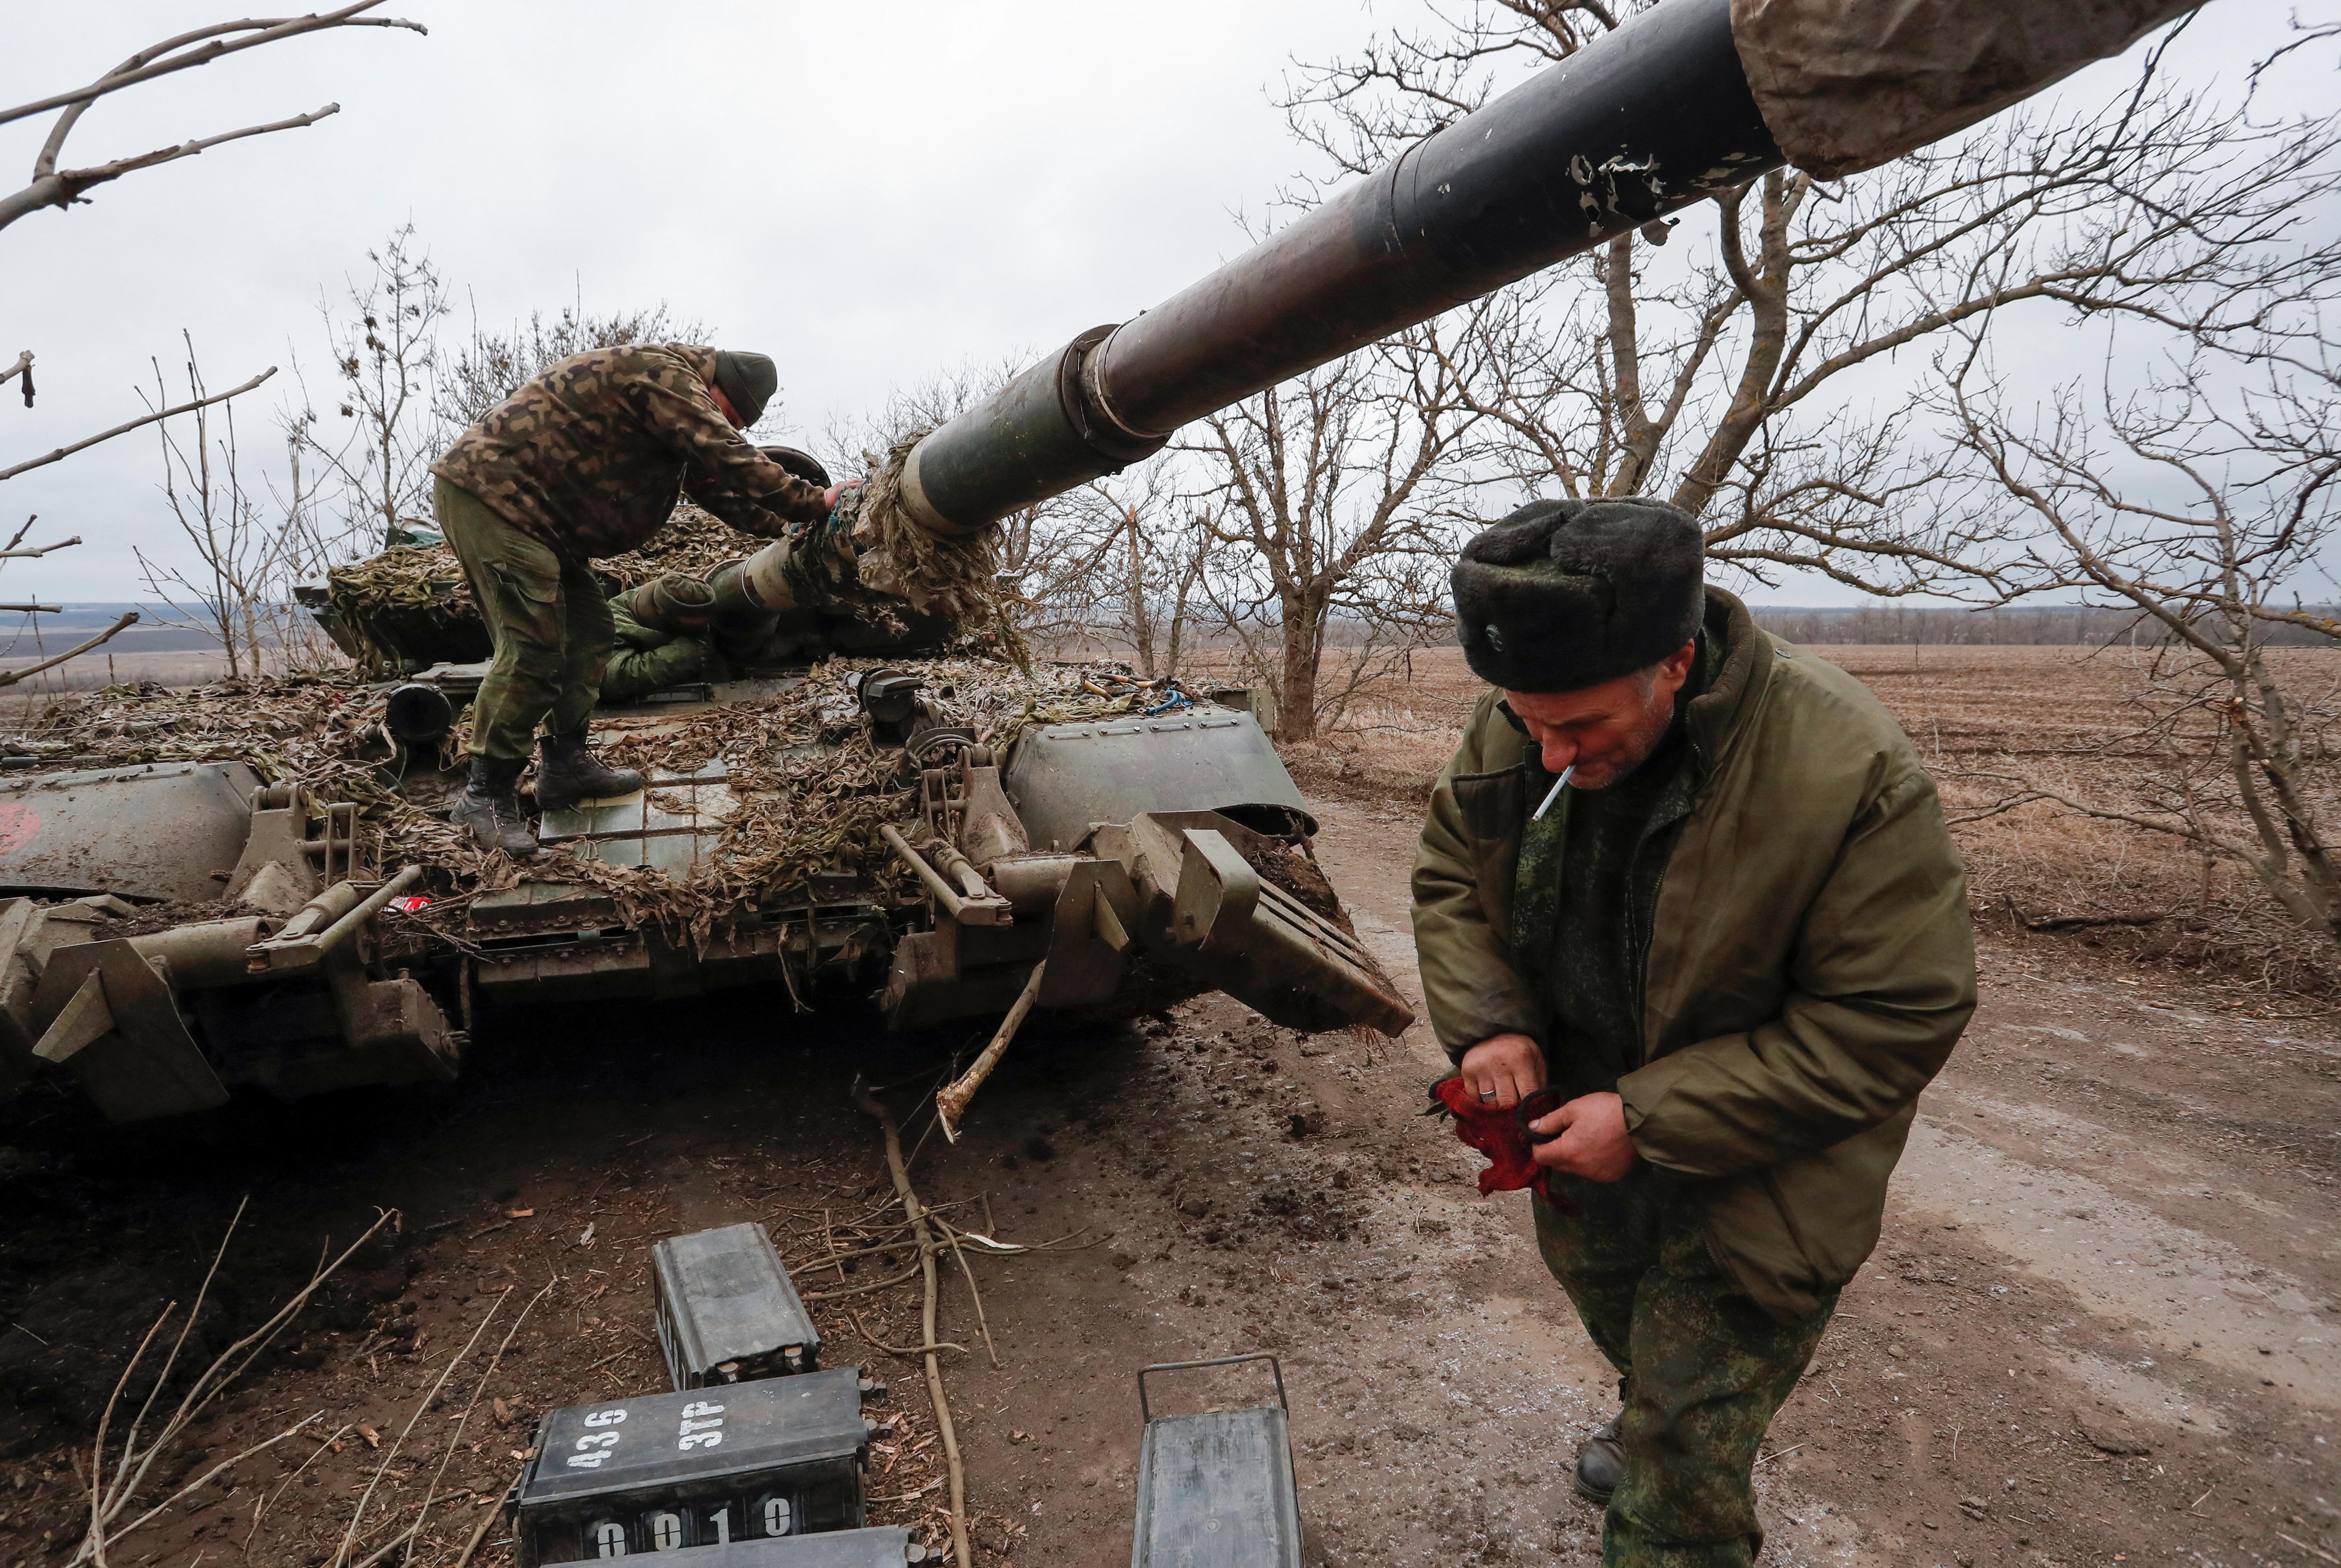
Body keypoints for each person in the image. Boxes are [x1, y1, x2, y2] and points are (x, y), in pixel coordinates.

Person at [1411, 496, 1975, 1566]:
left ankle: (1672, 1461)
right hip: (1578, 1137)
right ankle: (1655, 1413)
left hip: (1763, 1162)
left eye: (1581, 729)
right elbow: (1450, 875)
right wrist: (1489, 1026)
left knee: (1683, 1466)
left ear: (1673, 663)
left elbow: (1895, 1014)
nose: (1547, 755)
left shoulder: (1842, 764)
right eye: (1527, 723)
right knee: (1628, 1328)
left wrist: (1650, 1116)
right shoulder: (1535, 711)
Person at [429, 346, 857, 854]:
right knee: (535, 649)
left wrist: (788, 528)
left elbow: (717, 489)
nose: (729, 425)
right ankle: (484, 794)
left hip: (540, 521)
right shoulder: (663, 374)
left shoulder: (672, 413)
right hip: (494, 496)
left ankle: (564, 765)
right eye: (730, 414)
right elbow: (726, 452)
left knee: (591, 631)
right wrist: (812, 500)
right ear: (716, 386)